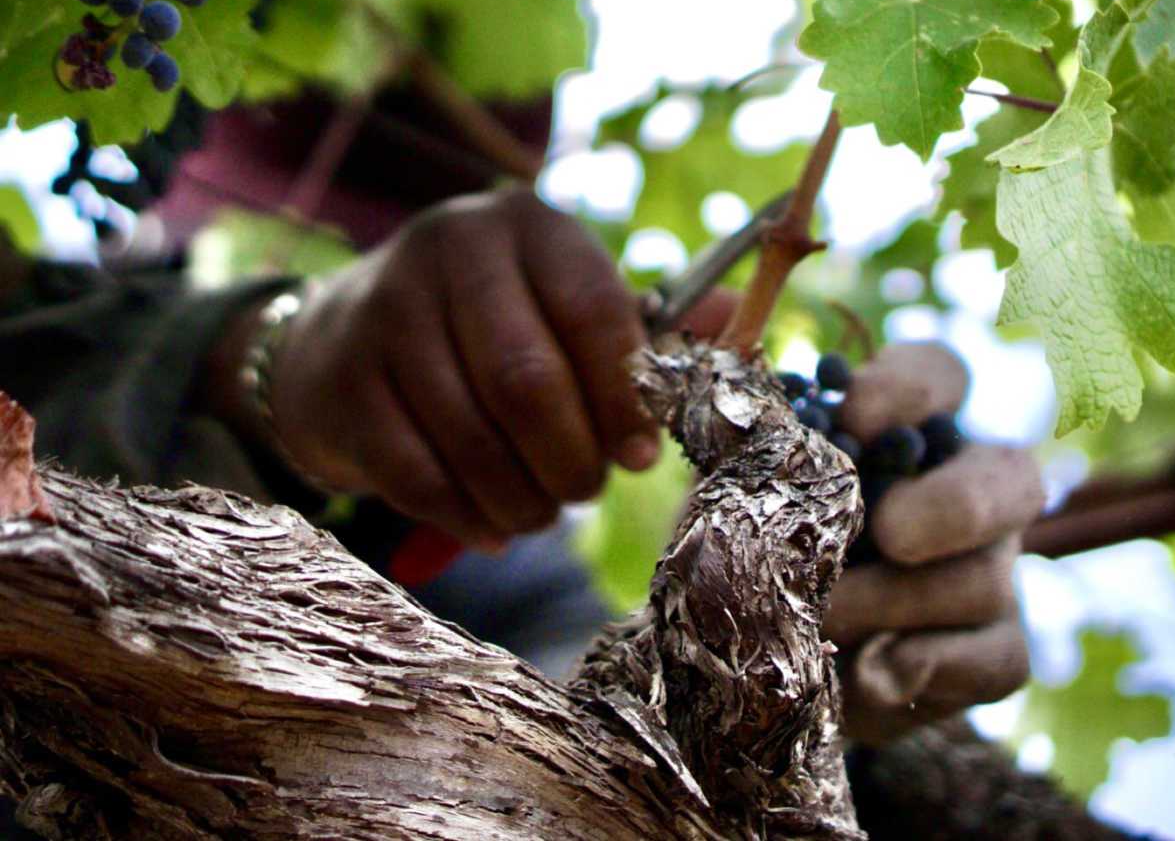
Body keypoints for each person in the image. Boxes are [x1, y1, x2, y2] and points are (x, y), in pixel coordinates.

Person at [0, 182, 1044, 748]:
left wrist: (729, 710)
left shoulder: (523, 584)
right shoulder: (67, 309)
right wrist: (264, 366)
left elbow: (531, 742)